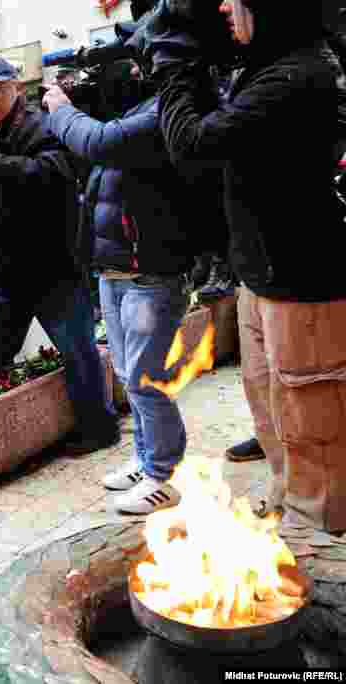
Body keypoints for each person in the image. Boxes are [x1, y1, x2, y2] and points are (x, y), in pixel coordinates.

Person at [148, 0, 346, 533]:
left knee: (312, 420)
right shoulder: (268, 65)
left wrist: (173, 61)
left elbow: (190, 144)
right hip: (260, 274)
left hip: (302, 282)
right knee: (271, 406)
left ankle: (319, 535)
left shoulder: (298, 73)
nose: (221, 7)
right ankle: (288, 499)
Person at [43, 54, 207, 513]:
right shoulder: (131, 112)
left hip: (150, 275)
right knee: (128, 376)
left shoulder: (162, 112)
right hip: (116, 273)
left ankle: (163, 475)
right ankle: (145, 459)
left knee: (145, 380)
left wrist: (60, 108)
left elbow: (95, 141)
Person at [0, 55, 119, 455]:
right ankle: (9, 430)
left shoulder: (43, 125)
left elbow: (53, 173)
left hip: (52, 266)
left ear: (16, 88)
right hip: (5, 270)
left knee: (77, 350)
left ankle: (99, 430)